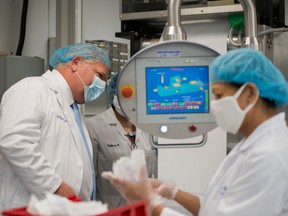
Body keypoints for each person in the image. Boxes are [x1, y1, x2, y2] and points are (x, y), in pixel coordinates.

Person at [102, 48, 288, 216]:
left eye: (219, 96)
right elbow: (214, 210)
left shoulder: (268, 156)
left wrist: (151, 204)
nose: (214, 105)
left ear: (250, 93)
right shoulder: (251, 144)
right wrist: (173, 192)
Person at [0, 43, 110, 211]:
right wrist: (56, 186)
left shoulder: (72, 109)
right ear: (75, 63)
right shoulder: (33, 88)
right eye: (99, 75)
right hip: (31, 208)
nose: (102, 85)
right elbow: (15, 143)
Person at [85, 73, 157, 209]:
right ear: (114, 94)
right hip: (110, 207)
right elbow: (89, 175)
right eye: (126, 95)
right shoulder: (94, 126)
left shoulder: (146, 125)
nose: (131, 101)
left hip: (143, 205)